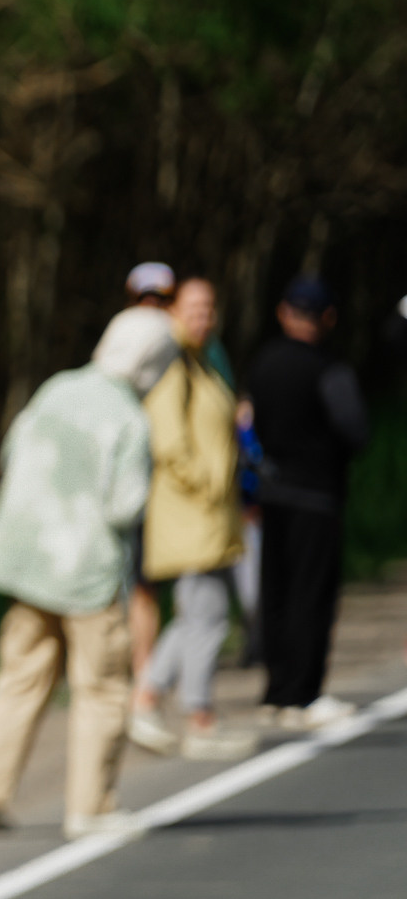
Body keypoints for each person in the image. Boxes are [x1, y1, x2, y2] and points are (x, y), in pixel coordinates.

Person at [0, 307, 180, 840]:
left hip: (28, 560)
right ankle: (91, 806)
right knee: (102, 686)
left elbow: (12, 452)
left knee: (19, 676)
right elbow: (125, 506)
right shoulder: (129, 418)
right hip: (88, 574)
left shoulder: (57, 389)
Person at [127, 279, 255, 761]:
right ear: (174, 311)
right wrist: (207, 483)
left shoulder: (203, 360)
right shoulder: (171, 361)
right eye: (193, 307)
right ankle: (192, 714)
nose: (203, 316)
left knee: (202, 614)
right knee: (206, 614)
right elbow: (168, 440)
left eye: (209, 307)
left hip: (211, 513)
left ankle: (154, 699)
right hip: (189, 512)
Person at [246, 276, 369, 727]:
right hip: (317, 494)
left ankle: (276, 691)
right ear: (329, 318)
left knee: (276, 591)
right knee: (311, 593)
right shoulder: (327, 368)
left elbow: (250, 424)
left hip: (271, 492)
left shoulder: (262, 363)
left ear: (284, 313)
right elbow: (355, 429)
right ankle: (304, 693)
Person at [121, 263, 178, 696]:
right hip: (125, 480)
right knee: (131, 583)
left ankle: (145, 667)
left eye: (161, 298)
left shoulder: (184, 351)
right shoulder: (120, 346)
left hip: (164, 484)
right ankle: (137, 665)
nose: (152, 306)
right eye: (145, 298)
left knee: (147, 585)